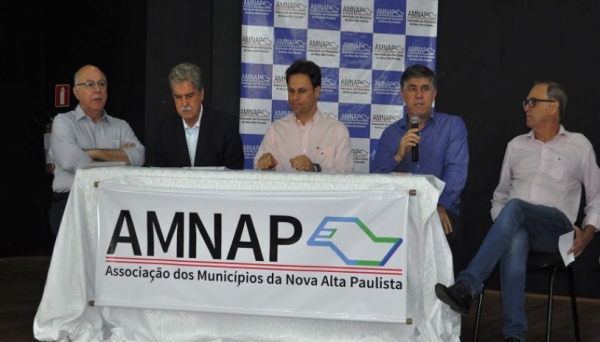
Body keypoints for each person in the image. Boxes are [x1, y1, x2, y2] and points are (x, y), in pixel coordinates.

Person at [435, 81, 600, 342]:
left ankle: (468, 286)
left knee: (516, 208)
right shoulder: (516, 146)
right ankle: (514, 335)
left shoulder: (579, 145)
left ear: (554, 107)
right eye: (526, 102)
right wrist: (506, 224)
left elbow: (597, 195)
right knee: (515, 235)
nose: (526, 107)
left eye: (533, 102)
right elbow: (499, 196)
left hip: (560, 233)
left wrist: (589, 233)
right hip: (519, 225)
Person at [372, 64, 468, 241]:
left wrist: (439, 205)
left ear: (434, 94)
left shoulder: (452, 126)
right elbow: (375, 180)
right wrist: (398, 156)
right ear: (403, 95)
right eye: (412, 89)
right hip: (398, 211)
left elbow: (456, 172)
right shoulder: (390, 134)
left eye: (425, 88)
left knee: (431, 230)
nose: (418, 95)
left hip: (439, 209)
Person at [49, 65, 145, 236]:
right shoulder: (63, 122)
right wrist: (118, 157)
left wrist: (94, 153)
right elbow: (72, 161)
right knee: (77, 263)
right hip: (72, 201)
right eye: (90, 84)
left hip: (114, 202)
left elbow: (139, 156)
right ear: (76, 92)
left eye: (102, 84)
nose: (97, 90)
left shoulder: (121, 126)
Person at [254, 59, 354, 173]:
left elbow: (346, 175)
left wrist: (315, 169)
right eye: (291, 91)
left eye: (302, 91)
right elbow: (259, 172)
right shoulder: (275, 130)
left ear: (317, 91)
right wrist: (266, 164)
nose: (294, 97)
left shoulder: (337, 131)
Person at [153, 62, 243, 169]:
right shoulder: (163, 131)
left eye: (189, 96)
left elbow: (235, 174)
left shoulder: (225, 127)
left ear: (201, 94)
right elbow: (157, 176)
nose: (184, 103)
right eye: (178, 97)